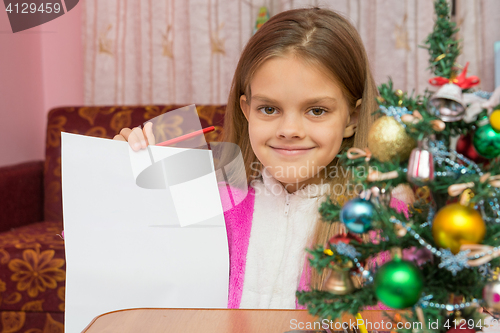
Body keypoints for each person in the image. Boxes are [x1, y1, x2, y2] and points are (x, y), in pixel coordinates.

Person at [114, 7, 384, 310]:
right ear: (247, 110)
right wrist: (122, 177)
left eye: (316, 110)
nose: (289, 130)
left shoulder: (382, 222)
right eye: (269, 109)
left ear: (353, 117)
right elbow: (123, 257)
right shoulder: (211, 200)